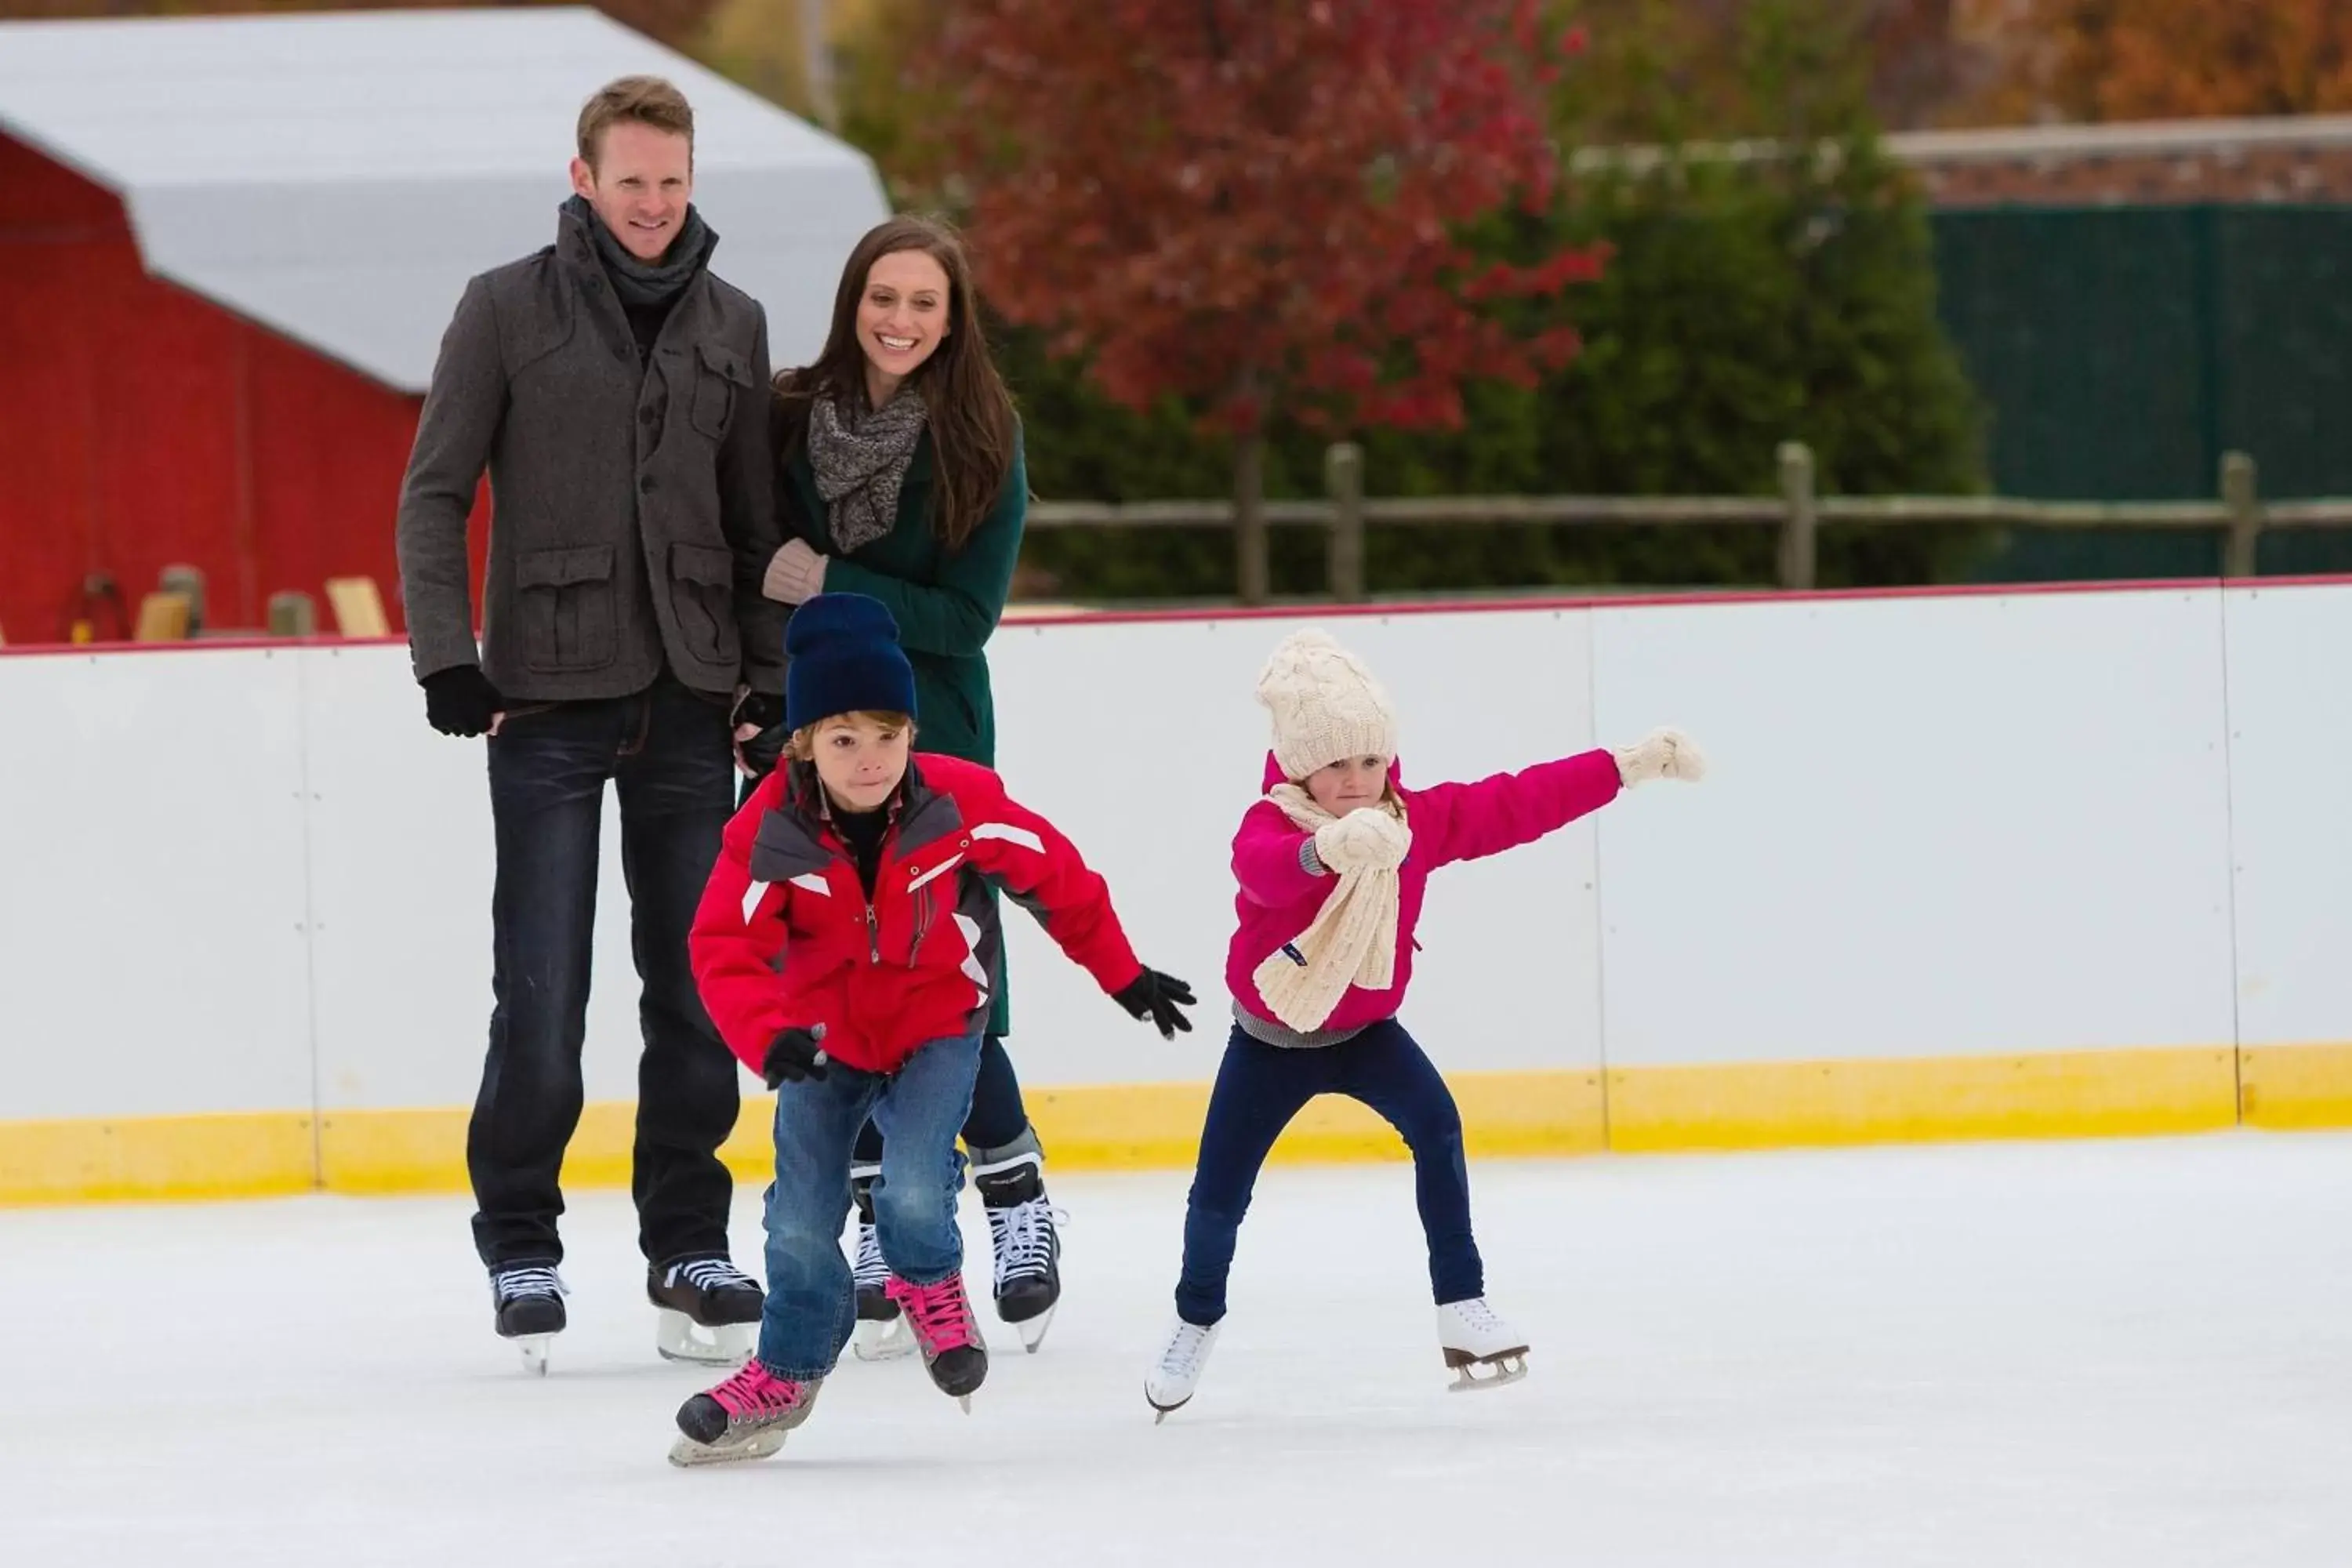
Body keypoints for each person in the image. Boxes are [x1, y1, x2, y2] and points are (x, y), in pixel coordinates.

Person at [394, 74, 787, 1374]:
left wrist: (766, 677)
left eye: (673, 183)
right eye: (631, 182)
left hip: (689, 702)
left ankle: (688, 1244)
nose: (654, 206)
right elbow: (435, 491)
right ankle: (520, 1237)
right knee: (544, 991)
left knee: (693, 987)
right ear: (584, 179)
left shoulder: (733, 321)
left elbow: (751, 529)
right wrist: (449, 659)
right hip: (547, 701)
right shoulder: (506, 306)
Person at [670, 592, 1195, 1465]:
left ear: (912, 731)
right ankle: (784, 1373)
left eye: (888, 734)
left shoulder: (958, 800)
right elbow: (721, 944)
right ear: (802, 743)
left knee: (914, 1189)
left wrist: (1123, 974)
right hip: (821, 1042)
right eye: (843, 739)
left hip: (938, 1026)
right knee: (799, 1220)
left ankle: (928, 1279)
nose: (869, 759)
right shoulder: (770, 828)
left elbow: (1058, 877)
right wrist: (767, 1036)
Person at [1142, 629, 1707, 1420]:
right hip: (1269, 1044)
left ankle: (1461, 1306)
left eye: (1370, 761)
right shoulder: (1273, 823)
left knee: (1438, 1127)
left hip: (1369, 1033)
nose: (1358, 780)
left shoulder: (1412, 822)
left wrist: (1625, 766)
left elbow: (1518, 801)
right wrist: (1329, 849)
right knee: (1218, 1195)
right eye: (1337, 764)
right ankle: (1195, 1316)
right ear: (1302, 763)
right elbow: (1263, 874)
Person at [754, 215, 1062, 1355]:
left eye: (924, 303)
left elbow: (965, 618)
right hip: (816, 746)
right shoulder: (793, 417)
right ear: (853, 301)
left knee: (954, 979)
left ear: (953, 316)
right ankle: (884, 1211)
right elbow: (754, 564)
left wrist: (831, 578)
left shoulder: (984, 435)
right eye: (884, 298)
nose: (900, 321)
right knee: (844, 973)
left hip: (937, 746)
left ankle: (1019, 1194)